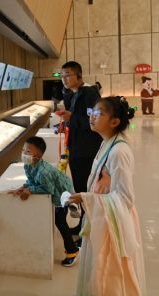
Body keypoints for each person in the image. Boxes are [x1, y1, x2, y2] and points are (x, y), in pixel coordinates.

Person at [69, 96, 146, 296]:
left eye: (100, 113)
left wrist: (87, 198)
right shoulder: (107, 143)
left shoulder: (119, 151)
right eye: (92, 112)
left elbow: (125, 198)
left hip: (113, 223)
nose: (92, 117)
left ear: (114, 122)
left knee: (109, 276)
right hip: (103, 217)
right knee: (98, 269)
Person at [9, 136, 80, 266]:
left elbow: (49, 190)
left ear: (39, 156)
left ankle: (72, 251)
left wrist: (30, 190)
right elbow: (32, 181)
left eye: (28, 151)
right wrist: (24, 187)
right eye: (24, 149)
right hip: (55, 191)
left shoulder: (44, 173)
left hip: (62, 194)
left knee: (60, 222)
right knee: (59, 220)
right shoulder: (28, 166)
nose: (24, 153)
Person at [60, 61, 103, 237]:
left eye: (68, 75)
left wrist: (72, 117)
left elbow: (95, 122)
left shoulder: (90, 94)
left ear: (79, 76)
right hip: (76, 149)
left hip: (87, 151)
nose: (64, 79)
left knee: (86, 188)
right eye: (62, 76)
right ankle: (84, 224)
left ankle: (90, 226)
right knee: (80, 187)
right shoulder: (74, 94)